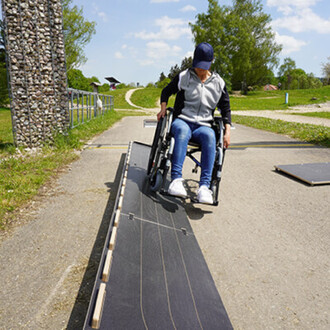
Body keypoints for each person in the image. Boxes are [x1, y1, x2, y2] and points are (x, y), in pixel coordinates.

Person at [157, 42, 231, 204]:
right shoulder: (184, 76)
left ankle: (204, 187)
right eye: (198, 65)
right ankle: (176, 179)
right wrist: (163, 108)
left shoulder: (219, 83)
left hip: (203, 126)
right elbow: (166, 92)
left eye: (204, 66)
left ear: (211, 62)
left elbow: (226, 109)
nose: (200, 70)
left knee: (210, 137)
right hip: (183, 121)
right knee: (182, 132)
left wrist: (227, 132)